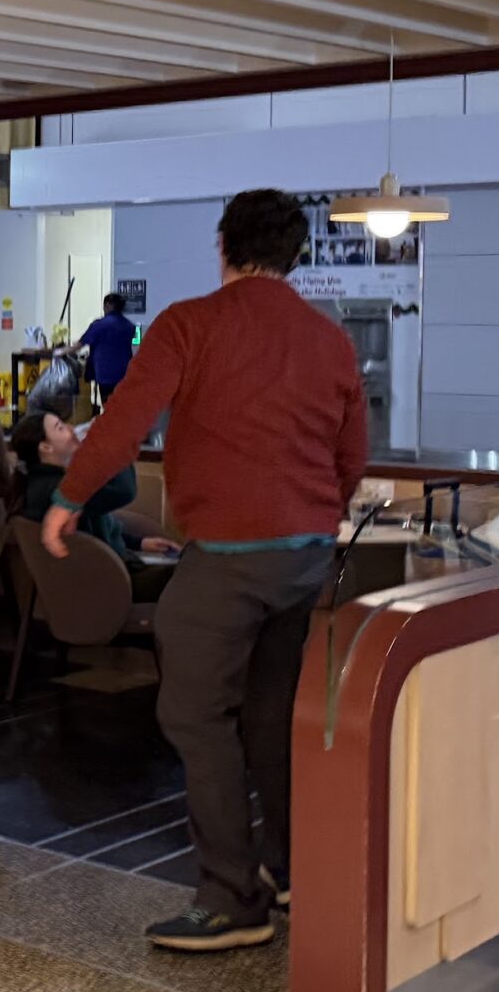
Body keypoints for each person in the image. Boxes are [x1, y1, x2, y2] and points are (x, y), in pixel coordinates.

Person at [43, 189, 366, 953]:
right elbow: (352, 453)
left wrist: (68, 498)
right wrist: (317, 513)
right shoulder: (330, 340)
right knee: (270, 711)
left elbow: (125, 421)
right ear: (296, 255)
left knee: (194, 713)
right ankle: (291, 870)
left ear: (223, 245)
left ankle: (232, 897)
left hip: (227, 556)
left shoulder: (190, 323)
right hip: (306, 555)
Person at [10, 411, 175, 600]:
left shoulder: (41, 482)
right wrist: (110, 442)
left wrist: (139, 543)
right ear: (46, 447)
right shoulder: (59, 490)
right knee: (191, 575)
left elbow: (97, 526)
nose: (71, 429)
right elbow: (124, 491)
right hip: (110, 584)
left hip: (105, 573)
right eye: (60, 428)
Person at [75, 293, 138, 406]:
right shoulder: (130, 326)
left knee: (108, 405)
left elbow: (80, 344)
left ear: (108, 305)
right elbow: (135, 343)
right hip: (125, 372)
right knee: (122, 406)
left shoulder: (99, 325)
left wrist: (60, 351)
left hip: (105, 373)